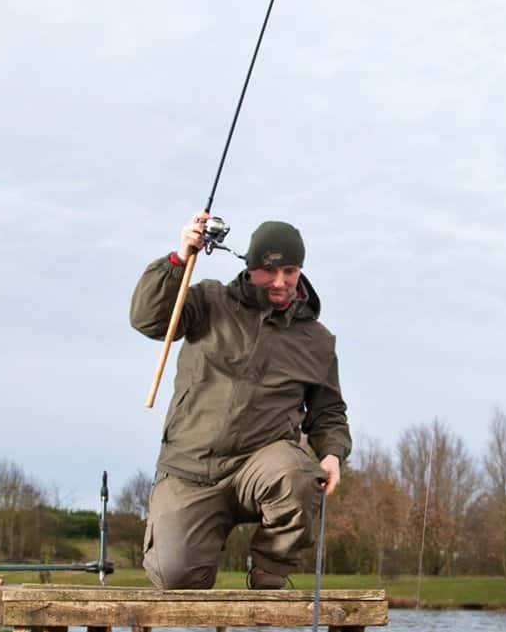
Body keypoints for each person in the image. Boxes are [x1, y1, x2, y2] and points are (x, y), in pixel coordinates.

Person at [130, 211, 352, 590]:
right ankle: (184, 553)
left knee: (299, 475)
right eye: (270, 271)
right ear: (250, 267)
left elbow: (328, 411)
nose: (281, 282)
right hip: (190, 466)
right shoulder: (208, 300)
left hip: (260, 464)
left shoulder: (317, 339)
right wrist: (178, 260)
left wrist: (332, 452)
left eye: (291, 271)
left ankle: (269, 569)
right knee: (176, 575)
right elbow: (148, 320)